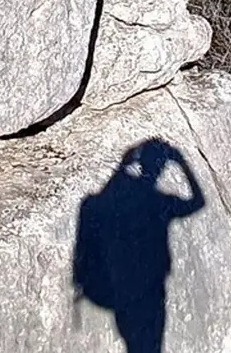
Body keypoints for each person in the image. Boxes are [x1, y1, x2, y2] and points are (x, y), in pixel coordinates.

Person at [72, 138, 208, 353]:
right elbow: (198, 202)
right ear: (161, 169)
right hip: (150, 287)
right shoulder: (159, 202)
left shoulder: (115, 196)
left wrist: (121, 166)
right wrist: (182, 163)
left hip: (122, 284)